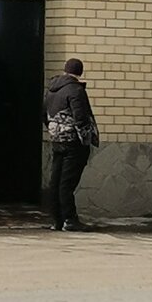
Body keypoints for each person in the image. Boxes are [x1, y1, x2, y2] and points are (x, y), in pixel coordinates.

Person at [43, 57, 99, 231]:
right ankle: (70, 220)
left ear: (65, 69)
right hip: (73, 142)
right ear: (80, 72)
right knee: (67, 183)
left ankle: (57, 220)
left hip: (57, 140)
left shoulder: (51, 90)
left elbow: (44, 114)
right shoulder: (76, 90)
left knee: (55, 181)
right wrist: (86, 140)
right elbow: (80, 117)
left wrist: (54, 131)